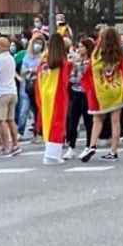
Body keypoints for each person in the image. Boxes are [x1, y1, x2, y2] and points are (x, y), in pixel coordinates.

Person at [81, 27, 123, 162]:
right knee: (115, 122)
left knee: (97, 120)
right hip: (116, 89)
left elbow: (90, 71)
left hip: (101, 92)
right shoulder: (121, 54)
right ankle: (113, 151)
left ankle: (92, 145)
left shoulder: (97, 54)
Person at [37, 33, 72, 164]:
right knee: (58, 122)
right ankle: (54, 154)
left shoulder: (44, 59)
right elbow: (66, 79)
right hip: (58, 93)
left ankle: (49, 151)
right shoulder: (63, 61)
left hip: (45, 92)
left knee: (47, 121)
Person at [66, 38, 95, 159]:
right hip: (76, 92)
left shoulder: (92, 62)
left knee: (88, 121)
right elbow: (72, 77)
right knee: (73, 120)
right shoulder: (77, 62)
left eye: (82, 46)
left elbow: (85, 77)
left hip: (87, 93)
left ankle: (89, 145)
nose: (79, 49)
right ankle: (71, 146)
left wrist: (78, 77)